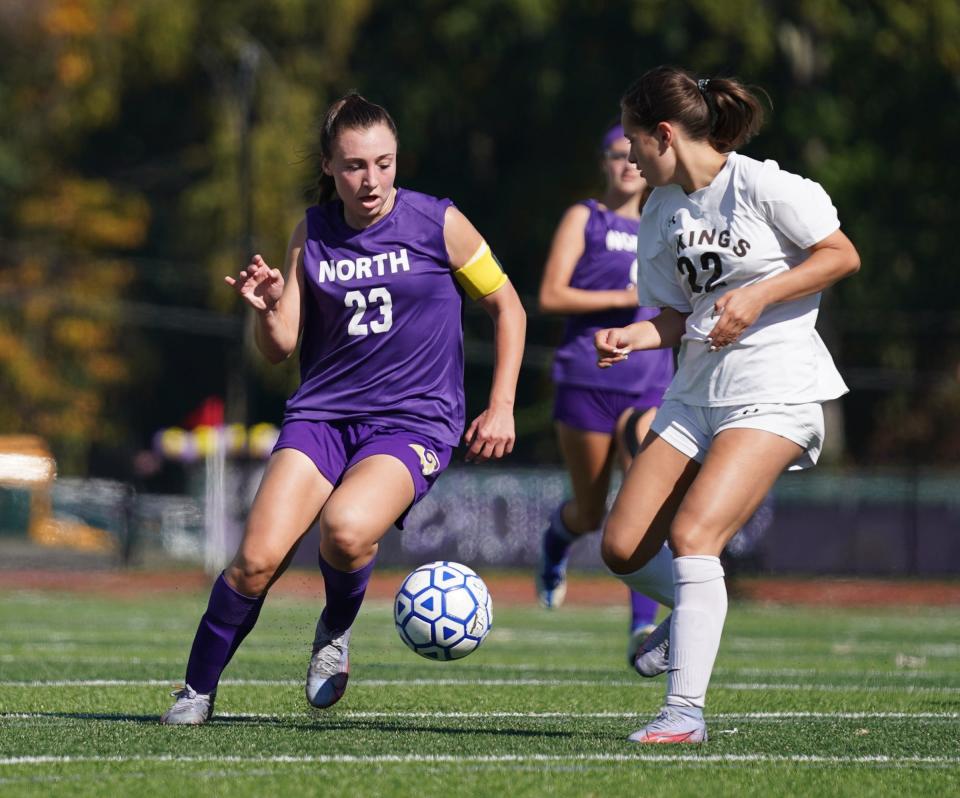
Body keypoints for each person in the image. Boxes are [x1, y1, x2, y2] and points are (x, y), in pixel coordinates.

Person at [161, 92, 526, 725]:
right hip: (323, 417)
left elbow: (509, 308)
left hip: (414, 421)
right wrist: (271, 305)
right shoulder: (312, 231)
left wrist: (501, 406)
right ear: (329, 166)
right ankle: (196, 692)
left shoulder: (439, 222)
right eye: (355, 165)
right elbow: (279, 349)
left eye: (384, 163)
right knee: (254, 563)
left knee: (348, 529)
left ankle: (334, 629)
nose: (372, 180)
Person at [595, 66, 859, 743]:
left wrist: (759, 296)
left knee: (694, 537)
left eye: (632, 141)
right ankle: (692, 610)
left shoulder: (761, 184)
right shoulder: (661, 209)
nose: (627, 157)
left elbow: (840, 255)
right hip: (694, 394)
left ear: (663, 135)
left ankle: (683, 713)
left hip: (772, 389)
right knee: (622, 546)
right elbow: (679, 316)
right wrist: (637, 335)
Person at [534, 123, 674, 665]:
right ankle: (557, 540)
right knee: (592, 514)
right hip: (586, 380)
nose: (627, 165)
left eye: (633, 155)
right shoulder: (584, 218)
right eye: (616, 156)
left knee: (639, 502)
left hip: (649, 382)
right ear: (604, 162)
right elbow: (550, 293)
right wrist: (620, 297)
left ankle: (643, 626)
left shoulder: (665, 221)